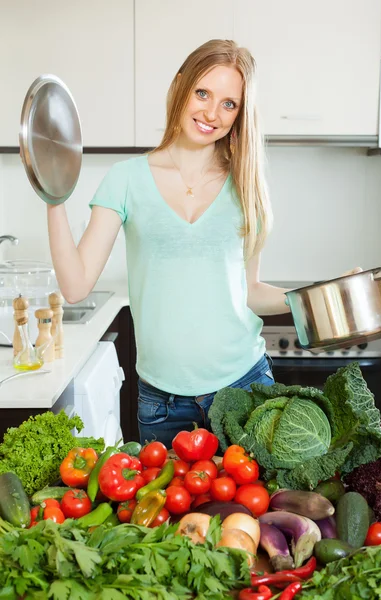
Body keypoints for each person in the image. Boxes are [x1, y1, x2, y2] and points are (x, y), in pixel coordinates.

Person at [47, 40, 303, 448]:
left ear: (239, 115)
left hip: (245, 389)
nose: (211, 113)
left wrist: (319, 297)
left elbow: (250, 292)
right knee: (168, 515)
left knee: (250, 513)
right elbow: (76, 286)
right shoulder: (126, 179)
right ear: (179, 88)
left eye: (228, 104)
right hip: (163, 405)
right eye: (203, 93)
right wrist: (53, 193)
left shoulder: (247, 184)